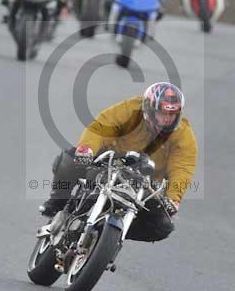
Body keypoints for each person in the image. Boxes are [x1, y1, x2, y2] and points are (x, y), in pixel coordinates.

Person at [39, 82, 197, 242]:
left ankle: (107, 235)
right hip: (109, 161)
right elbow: (101, 126)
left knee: (162, 226)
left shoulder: (183, 134)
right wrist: (87, 150)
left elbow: (183, 168)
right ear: (149, 109)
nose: (166, 119)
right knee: (69, 159)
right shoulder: (132, 109)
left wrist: (173, 198)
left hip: (144, 184)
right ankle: (57, 203)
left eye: (172, 115)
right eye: (162, 114)